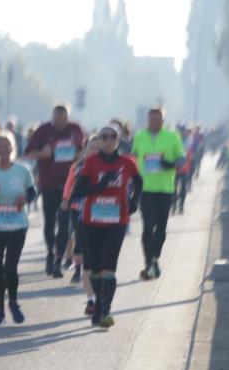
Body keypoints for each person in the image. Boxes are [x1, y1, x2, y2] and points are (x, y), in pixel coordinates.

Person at [70, 122, 143, 327]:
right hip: (91, 221)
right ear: (99, 141)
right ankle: (97, 306)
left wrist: (134, 202)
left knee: (109, 267)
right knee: (94, 268)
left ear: (118, 141)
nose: (108, 141)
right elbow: (79, 192)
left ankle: (104, 311)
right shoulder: (91, 163)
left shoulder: (127, 163)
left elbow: (139, 182)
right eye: (104, 137)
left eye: (112, 137)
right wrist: (100, 185)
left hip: (116, 221)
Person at [0, 133, 36, 325]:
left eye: (6, 145)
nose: (3, 148)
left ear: (12, 148)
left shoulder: (22, 171)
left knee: (10, 268)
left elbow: (32, 192)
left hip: (17, 226)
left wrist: (25, 199)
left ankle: (13, 302)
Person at [23, 105, 83, 278]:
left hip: (69, 184)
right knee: (49, 223)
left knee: (64, 223)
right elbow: (28, 153)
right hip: (48, 183)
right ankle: (50, 252)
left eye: (63, 120)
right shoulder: (43, 130)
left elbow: (83, 150)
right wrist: (42, 153)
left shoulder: (75, 129)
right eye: (57, 120)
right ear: (52, 118)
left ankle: (58, 258)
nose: (60, 124)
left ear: (68, 118)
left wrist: (77, 155)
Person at [131, 107, 185, 280]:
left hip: (165, 189)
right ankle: (148, 263)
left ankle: (155, 258)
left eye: (158, 120)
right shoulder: (139, 136)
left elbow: (181, 159)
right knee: (148, 226)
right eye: (152, 120)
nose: (154, 122)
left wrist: (169, 164)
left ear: (163, 120)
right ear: (148, 120)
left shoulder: (172, 136)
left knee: (161, 228)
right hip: (145, 188)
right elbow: (133, 156)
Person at [62, 134, 100, 315]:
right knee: (78, 239)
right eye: (92, 147)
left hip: (98, 211)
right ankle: (78, 270)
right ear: (86, 149)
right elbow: (69, 185)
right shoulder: (77, 166)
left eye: (98, 148)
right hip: (78, 209)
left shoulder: (107, 166)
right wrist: (65, 199)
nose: (94, 151)